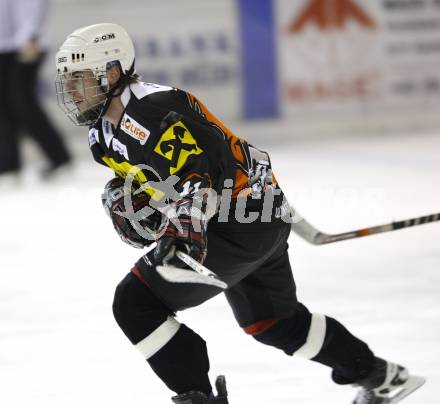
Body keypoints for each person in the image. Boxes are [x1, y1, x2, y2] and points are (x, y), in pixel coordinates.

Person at [54, 23, 424, 404]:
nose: (70, 90)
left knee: (135, 304)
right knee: (274, 323)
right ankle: (380, 376)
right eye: (68, 80)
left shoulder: (152, 112)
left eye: (79, 79)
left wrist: (180, 230)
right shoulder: (103, 134)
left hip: (236, 222)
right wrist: (141, 199)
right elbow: (167, 180)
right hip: (260, 216)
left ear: (112, 73)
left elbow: (199, 178)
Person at [0, 0, 71, 182]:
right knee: (4, 104)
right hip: (5, 45)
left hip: (26, 43)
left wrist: (31, 36)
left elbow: (34, 5)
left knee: (22, 102)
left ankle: (58, 156)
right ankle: (9, 164)